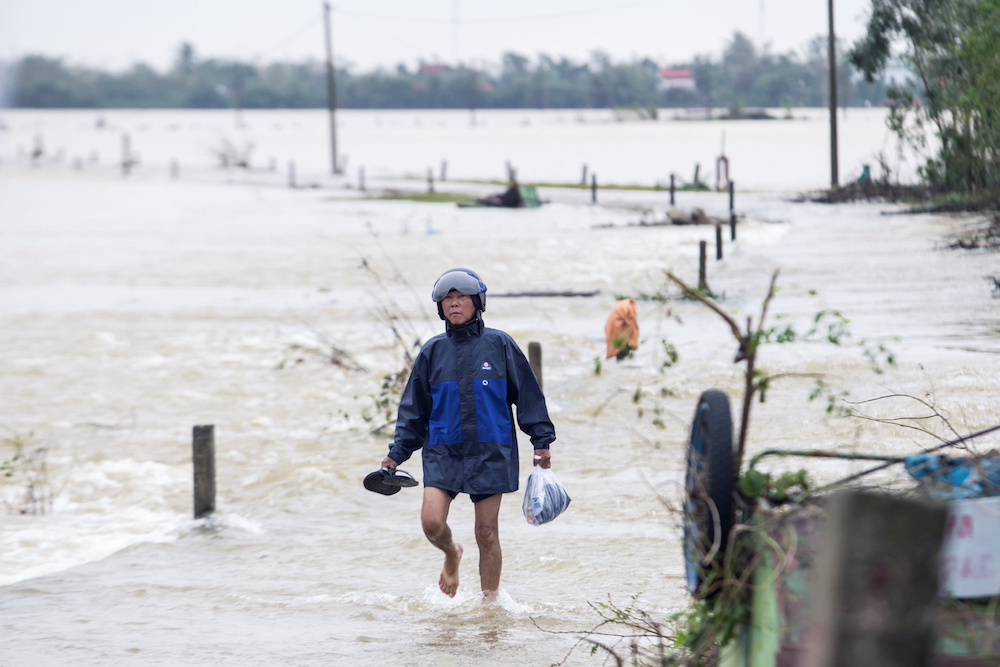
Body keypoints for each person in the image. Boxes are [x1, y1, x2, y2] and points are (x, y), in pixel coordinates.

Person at [380, 267, 556, 604]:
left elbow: (529, 397)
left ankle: (490, 605)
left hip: (491, 451)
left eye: (461, 297)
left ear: (477, 302)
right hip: (443, 451)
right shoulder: (432, 352)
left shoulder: (501, 345)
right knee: (432, 523)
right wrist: (397, 453)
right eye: (448, 299)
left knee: (486, 533)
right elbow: (413, 410)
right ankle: (451, 554)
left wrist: (541, 441)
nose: (454, 304)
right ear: (440, 307)